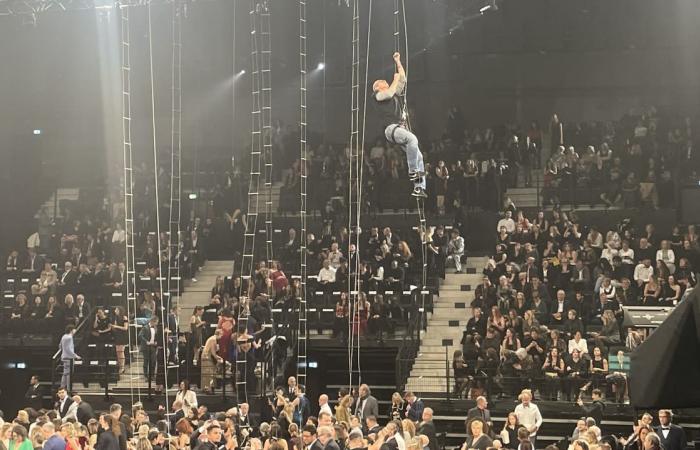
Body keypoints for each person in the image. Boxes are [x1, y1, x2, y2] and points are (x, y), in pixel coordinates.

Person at [372, 52, 426, 198]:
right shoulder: (378, 95)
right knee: (413, 140)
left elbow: (403, 79)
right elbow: (389, 93)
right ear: (378, 87)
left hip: (400, 129)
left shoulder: (393, 93)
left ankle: (419, 187)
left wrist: (398, 62)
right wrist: (394, 80)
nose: (386, 81)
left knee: (419, 156)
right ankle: (412, 171)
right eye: (383, 81)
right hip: (391, 129)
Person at [138, 317, 160, 383]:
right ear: (153, 321)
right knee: (146, 362)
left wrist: (156, 341)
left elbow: (156, 336)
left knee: (153, 361)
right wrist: (146, 341)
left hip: (153, 346)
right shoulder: (145, 327)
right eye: (156, 322)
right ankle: (146, 376)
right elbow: (140, 336)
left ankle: (152, 375)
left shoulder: (155, 328)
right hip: (146, 347)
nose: (157, 323)